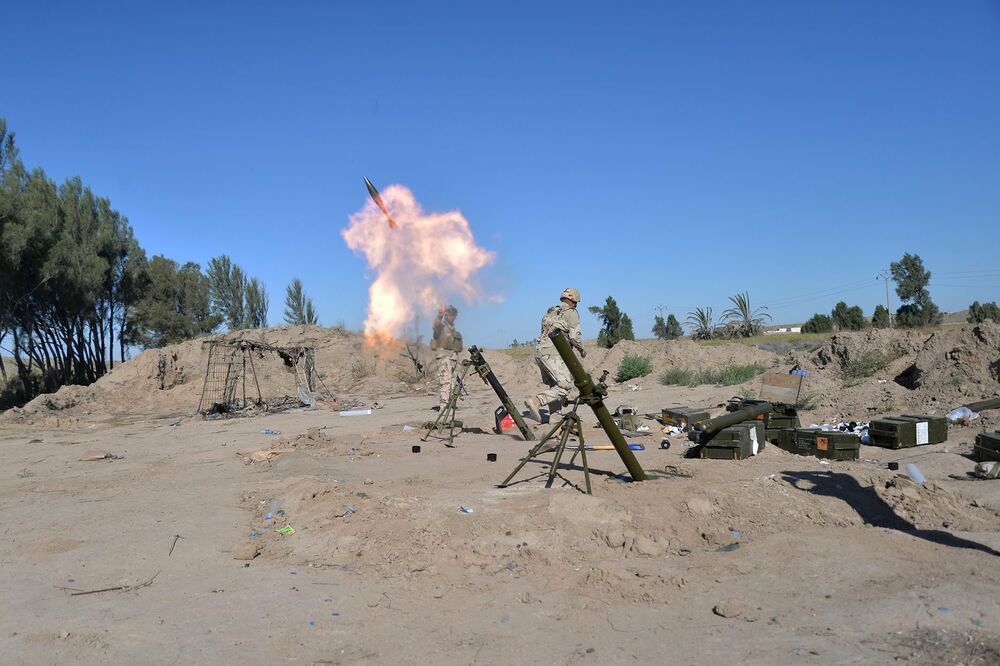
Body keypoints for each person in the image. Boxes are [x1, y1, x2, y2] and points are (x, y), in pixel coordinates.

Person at [524, 288, 586, 422]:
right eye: (576, 303)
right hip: (554, 353)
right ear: (573, 301)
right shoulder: (571, 313)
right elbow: (575, 337)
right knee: (565, 386)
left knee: (554, 386)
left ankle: (554, 416)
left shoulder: (550, 312)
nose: (576, 305)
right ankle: (536, 401)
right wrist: (581, 350)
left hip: (540, 352)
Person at [431, 304, 463, 411]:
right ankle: (444, 407)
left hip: (453, 357)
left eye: (454, 315)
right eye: (450, 315)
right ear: (446, 315)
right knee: (446, 382)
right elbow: (435, 326)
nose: (452, 317)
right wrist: (439, 316)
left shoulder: (452, 329)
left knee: (453, 382)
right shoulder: (441, 326)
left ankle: (450, 405)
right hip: (444, 357)